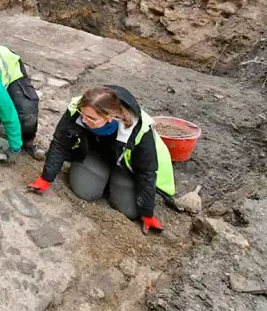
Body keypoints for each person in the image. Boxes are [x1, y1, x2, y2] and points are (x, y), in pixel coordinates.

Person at [27, 86, 175, 233]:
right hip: (97, 154)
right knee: (85, 192)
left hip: (127, 167)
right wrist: (46, 178)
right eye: (83, 114)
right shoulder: (79, 109)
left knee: (130, 211)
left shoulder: (139, 130)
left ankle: (113, 180)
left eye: (91, 118)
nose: (83, 120)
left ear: (110, 117)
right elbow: (60, 143)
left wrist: (147, 212)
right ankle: (104, 177)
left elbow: (146, 172)